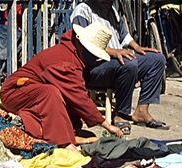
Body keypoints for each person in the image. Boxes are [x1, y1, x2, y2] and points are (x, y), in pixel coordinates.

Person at [0, 22, 123, 153]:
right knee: (50, 93)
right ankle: (64, 143)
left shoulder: (74, 55)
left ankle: (49, 132)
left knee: (58, 100)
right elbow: (79, 98)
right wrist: (107, 125)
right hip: (14, 93)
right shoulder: (66, 62)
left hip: (32, 94)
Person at [70, 0, 169, 135]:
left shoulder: (112, 10)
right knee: (128, 64)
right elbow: (82, 40)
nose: (108, 2)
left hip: (117, 62)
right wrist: (113, 52)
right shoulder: (82, 10)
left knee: (157, 60)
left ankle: (142, 110)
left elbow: (123, 35)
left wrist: (137, 47)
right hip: (95, 67)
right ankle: (121, 114)